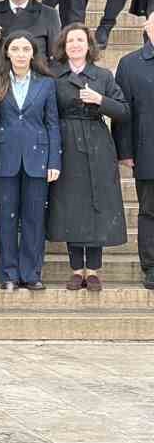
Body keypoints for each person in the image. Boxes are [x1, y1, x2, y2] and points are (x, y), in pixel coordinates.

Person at [49, 23, 127, 292]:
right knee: (71, 204)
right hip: (66, 142)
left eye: (80, 40)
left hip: (97, 142)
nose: (75, 45)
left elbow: (123, 110)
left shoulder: (103, 76)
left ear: (88, 45)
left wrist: (100, 100)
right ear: (64, 46)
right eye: (70, 41)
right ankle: (75, 269)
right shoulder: (55, 76)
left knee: (97, 204)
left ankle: (92, 269)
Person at [0, 32, 60, 291]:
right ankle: (8, 273)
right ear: (7, 52)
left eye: (25, 49)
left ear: (33, 53)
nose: (20, 54)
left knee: (33, 218)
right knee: (6, 219)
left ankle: (31, 273)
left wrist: (55, 161)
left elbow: (52, 123)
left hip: (37, 159)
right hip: (4, 158)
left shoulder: (46, 84)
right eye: (15, 49)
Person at [112, 17, 154, 289]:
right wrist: (124, 150)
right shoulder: (130, 64)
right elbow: (122, 111)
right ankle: (151, 267)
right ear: (147, 29)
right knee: (150, 212)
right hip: (148, 151)